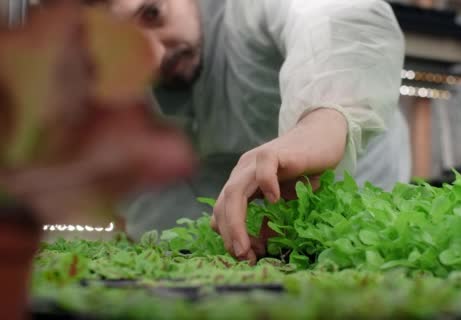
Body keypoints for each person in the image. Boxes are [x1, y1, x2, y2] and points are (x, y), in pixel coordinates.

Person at [88, 0, 409, 263]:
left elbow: (337, 17)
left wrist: (320, 125)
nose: (155, 57)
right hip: (222, 210)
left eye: (152, 14)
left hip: (355, 172)